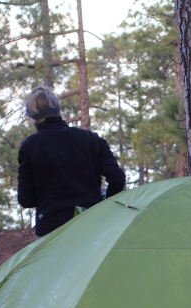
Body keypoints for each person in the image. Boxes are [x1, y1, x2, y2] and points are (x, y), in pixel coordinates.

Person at [17, 87, 126, 237]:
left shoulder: (30, 146)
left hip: (51, 230)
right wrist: (103, 205)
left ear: (32, 116)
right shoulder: (91, 139)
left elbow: (25, 199)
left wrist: (49, 199)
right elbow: (117, 178)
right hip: (91, 224)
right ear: (58, 111)